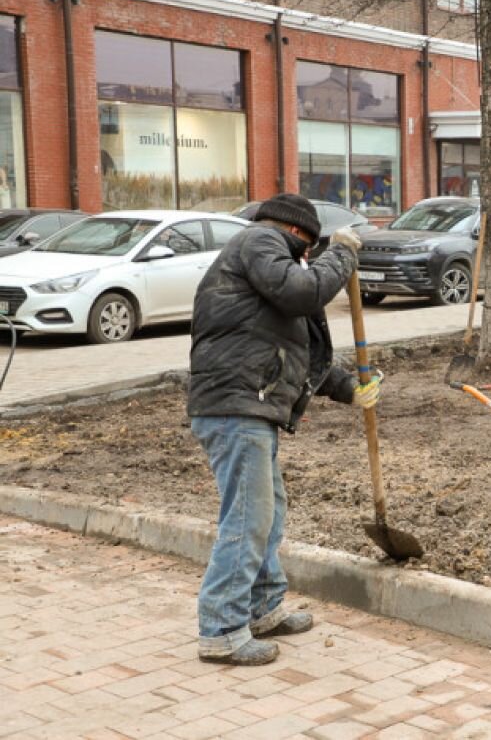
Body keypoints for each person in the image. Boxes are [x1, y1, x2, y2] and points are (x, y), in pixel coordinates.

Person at [187, 193, 382, 665]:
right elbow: (304, 292)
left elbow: (300, 351)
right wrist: (342, 255)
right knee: (249, 518)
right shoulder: (259, 241)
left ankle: (261, 608)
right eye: (309, 250)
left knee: (267, 511)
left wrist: (347, 387)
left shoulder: (267, 262)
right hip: (237, 407)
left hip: (249, 406)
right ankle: (221, 629)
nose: (308, 260)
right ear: (297, 234)